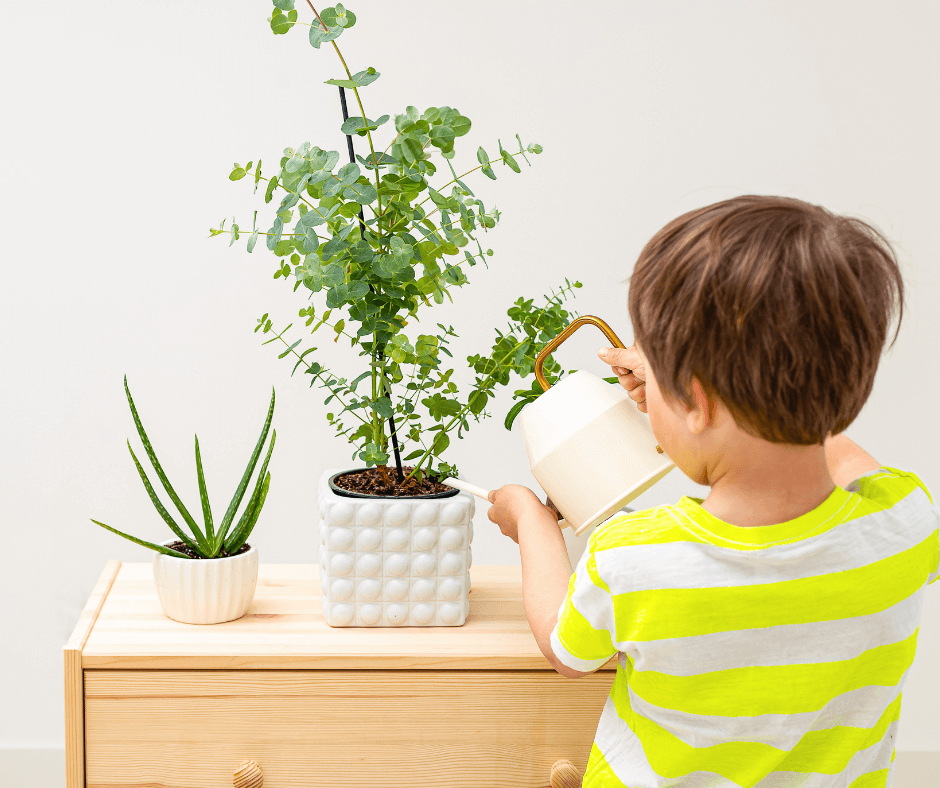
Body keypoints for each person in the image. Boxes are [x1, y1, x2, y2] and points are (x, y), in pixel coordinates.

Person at [486, 195, 939, 787]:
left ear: (696, 400)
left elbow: (565, 647)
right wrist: (684, 388)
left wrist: (531, 522)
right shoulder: (906, 521)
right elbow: (839, 449)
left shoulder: (636, 557)